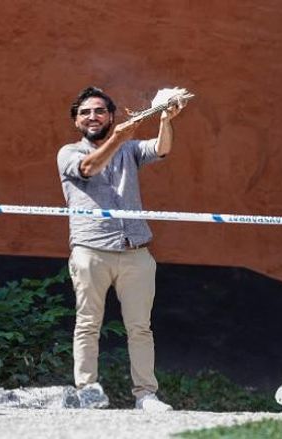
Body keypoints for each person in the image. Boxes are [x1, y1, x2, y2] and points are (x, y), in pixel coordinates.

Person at [56, 86, 185, 411]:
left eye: (99, 111)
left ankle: (146, 395)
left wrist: (165, 119)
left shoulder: (129, 149)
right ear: (76, 121)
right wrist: (118, 137)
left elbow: (161, 148)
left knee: (140, 328)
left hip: (135, 250)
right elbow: (89, 168)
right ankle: (88, 392)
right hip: (91, 249)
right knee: (88, 324)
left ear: (111, 116)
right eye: (85, 112)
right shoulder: (68, 152)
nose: (93, 117)